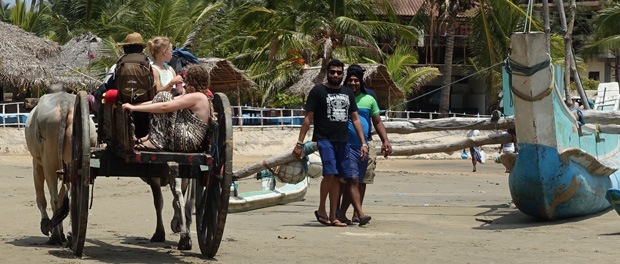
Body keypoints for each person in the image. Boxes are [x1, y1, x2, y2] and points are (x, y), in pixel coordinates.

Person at [291, 59, 368, 227]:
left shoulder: (347, 92)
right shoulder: (318, 91)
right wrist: (299, 143)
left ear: (342, 74)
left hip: (343, 141)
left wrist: (363, 143)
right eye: (332, 72)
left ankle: (334, 216)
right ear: (327, 72)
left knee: (339, 177)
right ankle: (321, 209)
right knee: (330, 173)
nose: (335, 75)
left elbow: (355, 119)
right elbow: (308, 118)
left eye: (339, 72)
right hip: (324, 139)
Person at [337, 64, 392, 226]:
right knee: (350, 179)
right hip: (346, 145)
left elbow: (377, 121)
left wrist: (385, 141)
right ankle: (347, 213)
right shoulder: (341, 96)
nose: (353, 83)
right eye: (350, 80)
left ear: (361, 81)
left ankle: (355, 213)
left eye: (356, 80)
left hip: (366, 143)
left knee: (363, 179)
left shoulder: (370, 97)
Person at [121, 64, 213, 152]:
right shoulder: (198, 96)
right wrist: (135, 105)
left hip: (187, 140)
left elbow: (165, 106)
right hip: (187, 140)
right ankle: (151, 138)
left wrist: (134, 108)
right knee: (164, 97)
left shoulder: (198, 96)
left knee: (164, 96)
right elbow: (157, 102)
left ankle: (154, 142)